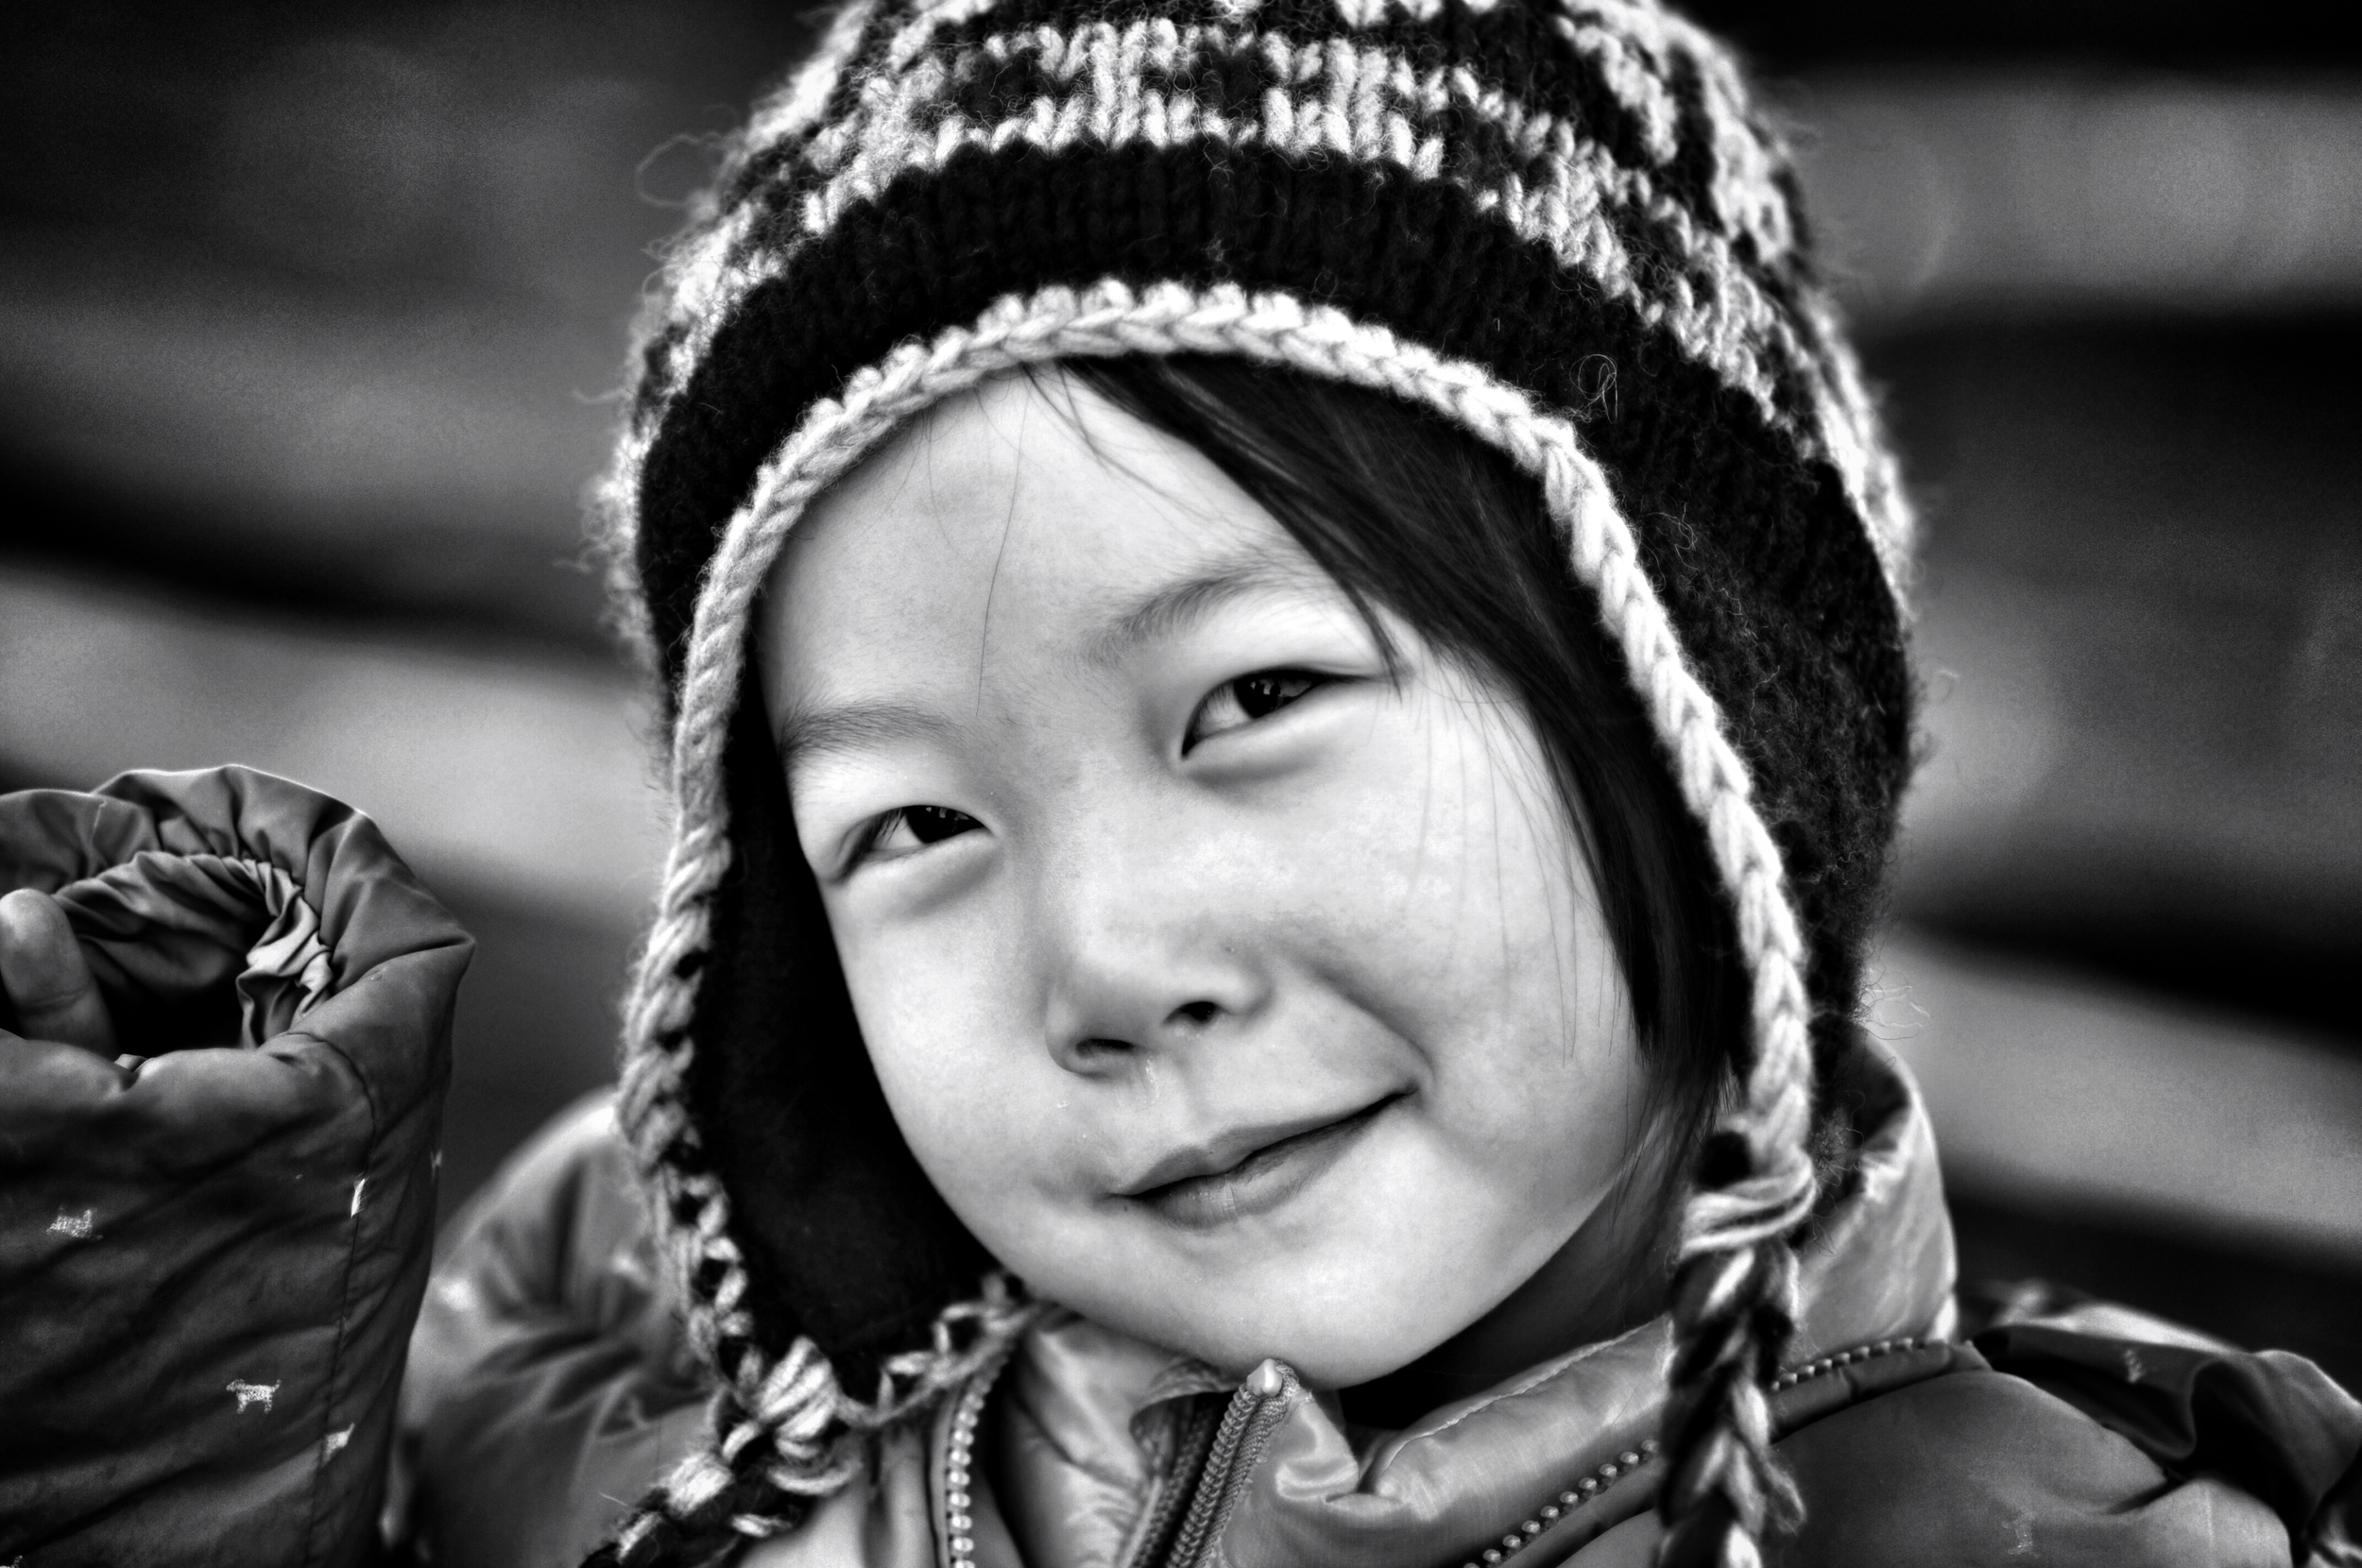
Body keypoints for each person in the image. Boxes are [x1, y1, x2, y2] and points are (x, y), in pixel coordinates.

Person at [2, 1, 2357, 1565]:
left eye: (1248, 700)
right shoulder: (650, 1464)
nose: (1106, 963)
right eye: (910, 826)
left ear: (1700, 716)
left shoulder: (2089, 1539)